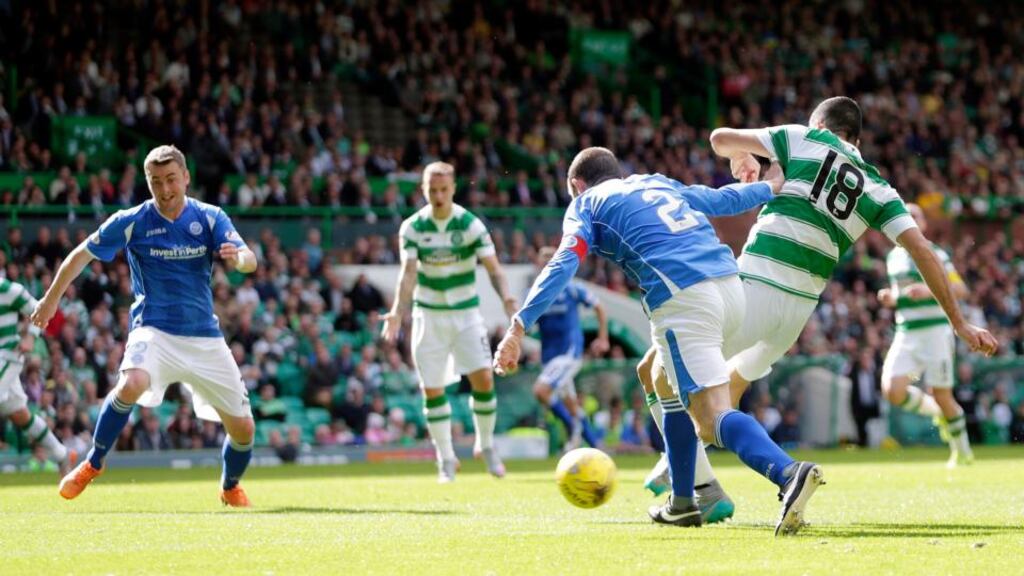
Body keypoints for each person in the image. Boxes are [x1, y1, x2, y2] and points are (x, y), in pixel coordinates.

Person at [640, 96, 998, 498]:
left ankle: (705, 486)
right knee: (731, 388)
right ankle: (676, 468)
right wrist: (960, 322)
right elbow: (925, 252)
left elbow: (719, 137)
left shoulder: (804, 139)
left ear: (821, 125)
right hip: (796, 314)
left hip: (756, 289)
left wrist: (747, 156)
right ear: (857, 139)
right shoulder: (881, 189)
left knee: (658, 368)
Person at [494, 146, 821, 536]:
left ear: (576, 185)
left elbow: (564, 261)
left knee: (711, 414)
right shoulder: (655, 182)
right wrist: (770, 187)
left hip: (683, 298)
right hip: (730, 286)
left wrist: (518, 327)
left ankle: (787, 473)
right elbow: (720, 199)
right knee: (657, 375)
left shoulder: (586, 204)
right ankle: (686, 500)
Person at [32, 145, 260, 507]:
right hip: (154, 330)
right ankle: (93, 462)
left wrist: (239, 260)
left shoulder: (210, 216)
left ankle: (230, 485)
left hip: (204, 336)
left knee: (244, 430)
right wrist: (51, 299)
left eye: (171, 179)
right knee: (132, 382)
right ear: (147, 182)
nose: (165, 189)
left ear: (186, 177)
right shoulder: (134, 220)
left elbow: (249, 259)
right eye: (156, 182)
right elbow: (80, 254)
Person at [381, 161, 517, 483]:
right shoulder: (412, 227)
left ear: (453, 188)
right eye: (432, 190)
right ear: (424, 190)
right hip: (428, 315)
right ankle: (446, 459)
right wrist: (398, 311)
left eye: (443, 189)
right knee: (432, 390)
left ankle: (485, 445)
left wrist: (508, 299)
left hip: (466, 314)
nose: (438, 196)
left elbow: (494, 269)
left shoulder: (470, 224)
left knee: (484, 378)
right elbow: (408, 273)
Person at [877, 203, 974, 466]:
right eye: (906, 214)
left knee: (943, 394)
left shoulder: (936, 254)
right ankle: (938, 414)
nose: (910, 218)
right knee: (891, 389)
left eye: (916, 215)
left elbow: (961, 290)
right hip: (906, 332)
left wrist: (928, 291)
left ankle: (962, 453)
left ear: (925, 223)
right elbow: (903, 294)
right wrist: (891, 297)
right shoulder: (893, 257)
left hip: (935, 332)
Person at [531, 246, 609, 450]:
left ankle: (572, 428)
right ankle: (595, 447)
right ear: (539, 265)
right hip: (548, 357)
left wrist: (603, 337)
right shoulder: (538, 293)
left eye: (551, 259)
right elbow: (529, 323)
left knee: (541, 391)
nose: (547, 263)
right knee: (571, 405)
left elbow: (599, 306)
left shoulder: (572, 287)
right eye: (544, 260)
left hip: (569, 353)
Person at [0, 278, 75, 473]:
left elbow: (41, 310)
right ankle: (61, 454)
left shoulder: (9, 290)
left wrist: (30, 336)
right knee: (19, 414)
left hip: (7, 355)